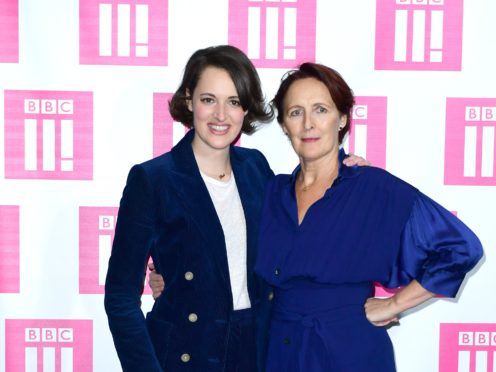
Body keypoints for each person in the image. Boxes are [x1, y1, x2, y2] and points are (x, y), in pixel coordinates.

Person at [105, 45, 367, 372]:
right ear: (189, 100)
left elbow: (302, 241)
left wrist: (345, 177)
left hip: (255, 350)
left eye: (233, 102)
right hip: (186, 352)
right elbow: (120, 298)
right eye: (208, 99)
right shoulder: (152, 180)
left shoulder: (256, 168)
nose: (221, 115)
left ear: (246, 108)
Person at [253, 62, 484, 371]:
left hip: (350, 350)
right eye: (296, 112)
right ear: (283, 124)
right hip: (279, 348)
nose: (308, 124)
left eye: (321, 109)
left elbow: (461, 249)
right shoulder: (271, 191)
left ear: (342, 119)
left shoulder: (373, 187)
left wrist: (394, 304)